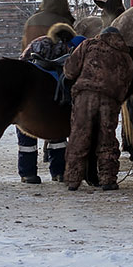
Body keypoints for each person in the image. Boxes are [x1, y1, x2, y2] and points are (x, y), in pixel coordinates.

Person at [61, 25, 133, 191]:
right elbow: (126, 83)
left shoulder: (89, 45)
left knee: (79, 136)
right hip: (110, 100)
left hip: (85, 96)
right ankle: (108, 180)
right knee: (107, 139)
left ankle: (73, 180)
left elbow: (70, 71)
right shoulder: (125, 56)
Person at [18, 22, 82, 183]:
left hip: (29, 91)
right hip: (55, 95)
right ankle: (59, 172)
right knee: (57, 136)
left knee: (26, 137)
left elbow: (22, 61)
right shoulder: (70, 48)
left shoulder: (38, 42)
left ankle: (28, 173)